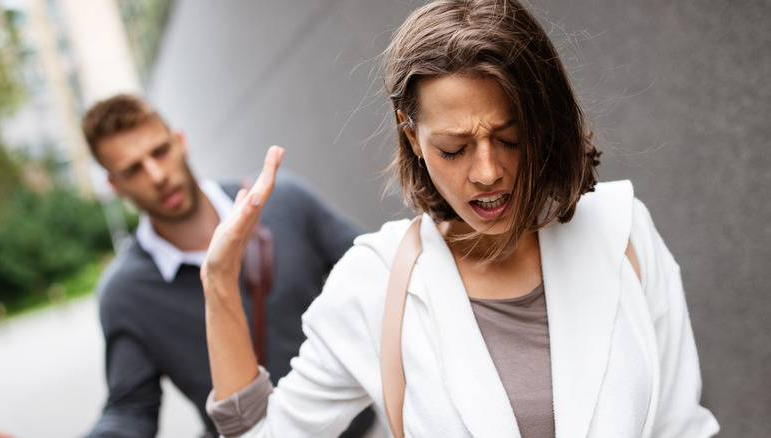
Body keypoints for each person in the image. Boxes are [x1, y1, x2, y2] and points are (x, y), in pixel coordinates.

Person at [201, 0, 720, 436]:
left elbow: (683, 425)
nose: (488, 171)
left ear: (542, 119)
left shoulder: (622, 230)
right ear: (413, 139)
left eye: (509, 137)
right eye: (454, 148)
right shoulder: (375, 285)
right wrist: (219, 285)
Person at [80, 94, 373, 437]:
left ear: (180, 141)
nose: (157, 175)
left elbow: (374, 276)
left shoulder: (282, 201)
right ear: (115, 186)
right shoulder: (125, 293)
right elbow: (131, 408)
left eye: (159, 152)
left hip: (365, 428)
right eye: (133, 169)